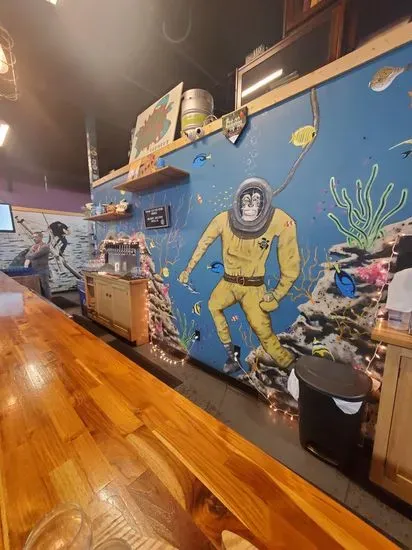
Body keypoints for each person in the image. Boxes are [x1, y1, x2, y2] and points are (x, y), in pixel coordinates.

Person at [179, 177, 300, 374]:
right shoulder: (223, 219)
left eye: (255, 200)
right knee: (213, 305)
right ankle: (231, 355)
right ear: (238, 201)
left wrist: (277, 294)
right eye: (246, 200)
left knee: (263, 332)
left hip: (254, 288)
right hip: (228, 282)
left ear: (264, 203)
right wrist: (188, 269)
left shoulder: (278, 219)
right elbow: (203, 243)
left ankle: (290, 366)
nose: (250, 205)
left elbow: (290, 262)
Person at [25, 232, 51, 299]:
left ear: (41, 237)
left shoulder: (45, 247)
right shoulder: (33, 246)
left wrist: (32, 252)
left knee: (45, 287)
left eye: (36, 237)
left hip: (43, 270)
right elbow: (26, 256)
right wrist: (32, 252)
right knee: (38, 287)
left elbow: (33, 256)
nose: (34, 238)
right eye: (33, 237)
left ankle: (49, 302)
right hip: (34, 270)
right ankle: (42, 300)